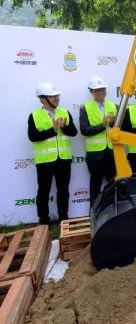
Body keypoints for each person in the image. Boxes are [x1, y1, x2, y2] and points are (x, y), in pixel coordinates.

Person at [28, 82, 78, 224]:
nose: (56, 98)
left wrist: (64, 127)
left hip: (63, 160)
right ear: (43, 99)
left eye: (57, 95)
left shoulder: (64, 112)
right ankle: (44, 220)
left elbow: (73, 132)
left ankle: (63, 218)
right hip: (45, 162)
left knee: (63, 190)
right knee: (43, 191)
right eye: (52, 96)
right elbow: (33, 137)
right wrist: (53, 130)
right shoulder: (34, 115)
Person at [79, 76, 117, 205]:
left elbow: (119, 128)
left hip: (112, 152)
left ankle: (113, 209)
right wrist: (103, 124)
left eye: (102, 90)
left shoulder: (114, 106)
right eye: (97, 90)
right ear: (91, 92)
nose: (100, 92)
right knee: (95, 184)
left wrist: (111, 124)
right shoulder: (85, 108)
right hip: (95, 155)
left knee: (113, 183)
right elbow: (85, 130)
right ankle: (94, 210)